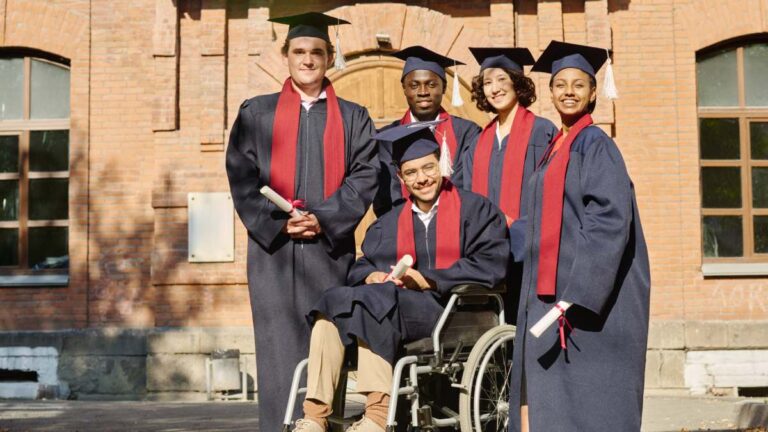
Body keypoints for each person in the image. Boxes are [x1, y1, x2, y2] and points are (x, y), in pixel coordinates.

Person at [292, 121, 509, 432]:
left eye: (428, 168)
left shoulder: (476, 211)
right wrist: (370, 276)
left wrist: (430, 280)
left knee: (377, 302)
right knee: (333, 300)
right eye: (411, 172)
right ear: (400, 177)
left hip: (450, 311)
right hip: (392, 306)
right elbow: (362, 263)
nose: (422, 178)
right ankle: (314, 415)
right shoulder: (389, 222)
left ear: (441, 165)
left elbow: (492, 264)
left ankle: (377, 415)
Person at [224, 12, 379, 432]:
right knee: (278, 351)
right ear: (286, 55)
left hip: (329, 252)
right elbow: (242, 176)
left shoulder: (353, 117)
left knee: (326, 346)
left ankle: (320, 426)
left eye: (316, 52)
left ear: (329, 57)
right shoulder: (257, 113)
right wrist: (278, 222)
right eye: (299, 51)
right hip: (273, 253)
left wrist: (323, 218)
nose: (307, 59)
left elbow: (365, 175)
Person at [508, 40, 651, 432]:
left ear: (592, 93)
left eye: (578, 84)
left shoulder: (596, 146)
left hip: (584, 300)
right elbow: (537, 222)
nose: (568, 91)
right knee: (543, 397)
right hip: (549, 296)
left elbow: (609, 218)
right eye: (560, 84)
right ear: (550, 92)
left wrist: (578, 289)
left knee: (588, 402)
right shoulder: (557, 147)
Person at [461, 47, 558, 323]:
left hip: (529, 249)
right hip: (488, 251)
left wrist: (516, 226)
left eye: (502, 80)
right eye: (488, 83)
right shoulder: (478, 143)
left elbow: (551, 193)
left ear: (517, 81)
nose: (495, 89)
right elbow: (467, 195)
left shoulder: (542, 131)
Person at [373, 46, 482, 216]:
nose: (423, 92)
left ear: (444, 88)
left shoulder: (467, 133)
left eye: (431, 85)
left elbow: (468, 185)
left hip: (457, 222)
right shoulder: (386, 138)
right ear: (404, 89)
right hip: (402, 227)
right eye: (414, 85)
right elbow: (386, 195)